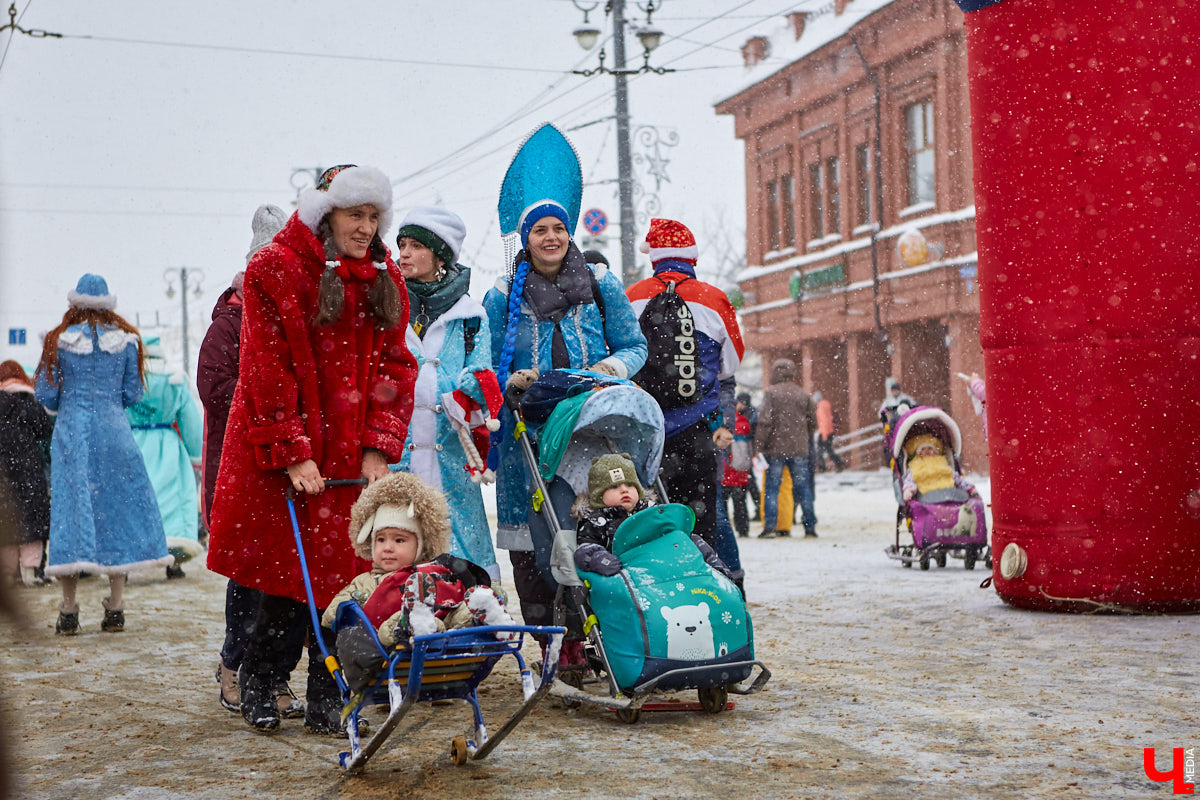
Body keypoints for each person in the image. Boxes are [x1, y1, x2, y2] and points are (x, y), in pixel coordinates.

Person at [206, 164, 418, 734]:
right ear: (327, 215)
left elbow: (397, 365)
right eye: (357, 215)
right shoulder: (274, 269)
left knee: (343, 585)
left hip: (350, 459)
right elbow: (262, 368)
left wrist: (380, 445)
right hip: (284, 457)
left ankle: (331, 694)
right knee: (283, 578)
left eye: (375, 217)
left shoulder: (384, 279)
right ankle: (260, 679)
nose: (367, 228)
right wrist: (292, 448)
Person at [485, 124, 647, 644]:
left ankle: (607, 628)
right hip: (527, 440)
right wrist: (509, 383)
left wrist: (611, 370)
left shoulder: (600, 285)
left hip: (595, 430)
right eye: (540, 231)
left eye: (558, 228)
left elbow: (634, 346)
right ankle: (550, 637)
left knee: (601, 522)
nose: (551, 237)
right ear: (526, 239)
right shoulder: (502, 295)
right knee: (534, 538)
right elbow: (486, 368)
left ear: (569, 232)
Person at [34, 274, 173, 634]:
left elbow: (46, 395)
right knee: (117, 512)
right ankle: (115, 606)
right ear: (109, 306)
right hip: (114, 433)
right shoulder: (126, 342)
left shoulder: (58, 341)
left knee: (71, 513)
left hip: (72, 436)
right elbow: (133, 394)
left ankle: (68, 610)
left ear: (73, 305)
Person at [627, 218, 745, 580]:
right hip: (698, 429)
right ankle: (713, 584)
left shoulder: (631, 296)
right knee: (703, 517)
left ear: (654, 258)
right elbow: (730, 364)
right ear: (692, 258)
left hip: (643, 430)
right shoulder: (714, 298)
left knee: (645, 516)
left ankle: (656, 587)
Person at [323, 471, 514, 691]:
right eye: (381, 539)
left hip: (439, 638)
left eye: (399, 540)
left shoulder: (429, 573)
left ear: (420, 546)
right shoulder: (364, 582)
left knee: (454, 611)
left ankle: (483, 611)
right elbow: (331, 616)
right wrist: (354, 605)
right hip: (389, 645)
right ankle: (413, 622)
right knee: (392, 625)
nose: (388, 547)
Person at [393, 206, 502, 582]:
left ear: (439, 255)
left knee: (462, 566)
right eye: (401, 245)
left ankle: (465, 630)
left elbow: (483, 376)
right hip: (396, 461)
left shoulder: (471, 317)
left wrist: (468, 392)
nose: (403, 254)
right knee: (395, 555)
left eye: (414, 246)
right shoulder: (386, 308)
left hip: (453, 464)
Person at [572, 453, 729, 578]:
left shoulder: (653, 513)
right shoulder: (597, 522)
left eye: (629, 485)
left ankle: (713, 565)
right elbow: (584, 551)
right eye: (614, 487)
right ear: (599, 497)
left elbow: (677, 538)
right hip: (629, 577)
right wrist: (601, 559)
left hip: (665, 568)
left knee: (689, 538)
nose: (624, 490)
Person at [125, 337, 203, 579]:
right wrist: (195, 453)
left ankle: (127, 557)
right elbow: (189, 418)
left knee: (132, 500)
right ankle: (175, 559)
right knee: (173, 498)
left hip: (132, 444)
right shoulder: (174, 379)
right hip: (167, 445)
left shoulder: (126, 379)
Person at [0, 361, 54, 586]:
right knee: (32, 518)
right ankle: (31, 569)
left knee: (7, 517)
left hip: (3, 470)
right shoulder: (30, 401)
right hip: (29, 468)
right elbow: (45, 429)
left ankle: (8, 571)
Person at [754, 358, 818, 538]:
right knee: (803, 488)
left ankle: (770, 527)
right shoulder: (803, 394)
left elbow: (765, 422)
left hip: (776, 450)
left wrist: (759, 446)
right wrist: (801, 435)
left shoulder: (771, 393)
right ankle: (810, 526)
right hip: (799, 449)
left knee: (772, 489)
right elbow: (813, 423)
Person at [901, 434, 979, 500]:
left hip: (948, 493)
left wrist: (970, 488)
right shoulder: (915, 464)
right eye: (923, 449)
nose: (927, 451)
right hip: (926, 495)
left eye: (930, 448)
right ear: (918, 452)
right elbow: (910, 479)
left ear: (936, 451)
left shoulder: (942, 462)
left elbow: (956, 477)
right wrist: (909, 490)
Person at [721, 402, 754, 538]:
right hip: (741, 472)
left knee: (722, 506)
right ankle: (743, 528)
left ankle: (723, 529)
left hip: (726, 472)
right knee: (740, 503)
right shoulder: (744, 424)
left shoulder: (724, 425)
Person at [812, 391, 845, 473]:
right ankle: (839, 464)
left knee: (820, 452)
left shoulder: (820, 407)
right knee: (829, 450)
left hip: (824, 432)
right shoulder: (826, 405)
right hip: (829, 431)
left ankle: (822, 468)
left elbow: (823, 421)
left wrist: (824, 435)